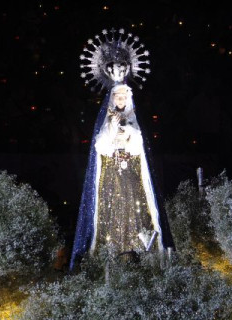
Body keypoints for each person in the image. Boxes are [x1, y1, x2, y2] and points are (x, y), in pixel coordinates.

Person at [70, 29, 174, 270]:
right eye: (117, 98)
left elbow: (140, 148)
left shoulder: (133, 119)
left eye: (123, 98)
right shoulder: (105, 119)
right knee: (110, 209)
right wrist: (112, 130)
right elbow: (100, 147)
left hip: (131, 172)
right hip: (110, 173)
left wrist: (128, 131)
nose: (120, 101)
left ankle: (139, 254)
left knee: (134, 209)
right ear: (112, 99)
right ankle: (109, 257)